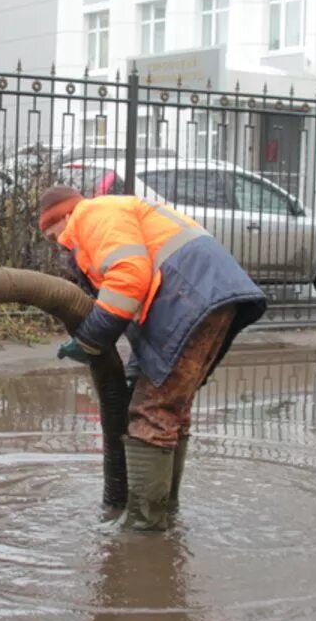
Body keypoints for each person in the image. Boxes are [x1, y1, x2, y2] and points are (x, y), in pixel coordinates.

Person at [38, 184, 266, 530]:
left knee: (153, 410)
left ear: (65, 216)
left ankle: (144, 527)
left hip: (190, 297)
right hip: (204, 293)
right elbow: (141, 295)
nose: (61, 246)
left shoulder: (91, 216)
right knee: (172, 407)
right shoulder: (116, 212)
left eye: (57, 237)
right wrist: (134, 368)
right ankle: (164, 513)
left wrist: (90, 338)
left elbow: (130, 276)